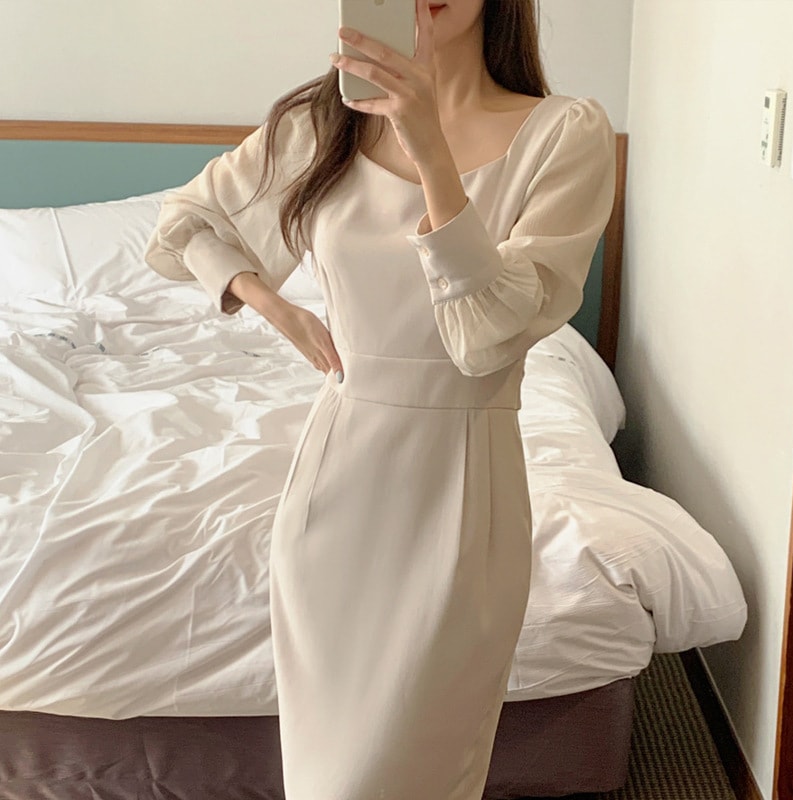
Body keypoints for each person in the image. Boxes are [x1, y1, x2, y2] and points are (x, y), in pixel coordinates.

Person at [143, 0, 616, 797]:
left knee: (411, 771)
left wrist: (428, 145)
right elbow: (181, 224)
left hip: (460, 494)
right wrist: (272, 303)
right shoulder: (323, 123)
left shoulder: (564, 135)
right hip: (332, 497)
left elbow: (484, 337)